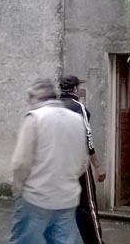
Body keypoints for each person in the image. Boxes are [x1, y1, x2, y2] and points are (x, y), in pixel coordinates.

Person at [10, 79, 89, 244]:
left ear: (36, 97)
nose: (28, 102)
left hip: (36, 198)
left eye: (29, 97)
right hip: (67, 198)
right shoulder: (77, 119)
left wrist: (18, 188)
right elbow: (83, 161)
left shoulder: (34, 118)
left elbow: (21, 162)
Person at [59, 75, 107, 244]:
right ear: (75, 89)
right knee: (87, 207)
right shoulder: (78, 108)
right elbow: (87, 138)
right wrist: (98, 166)